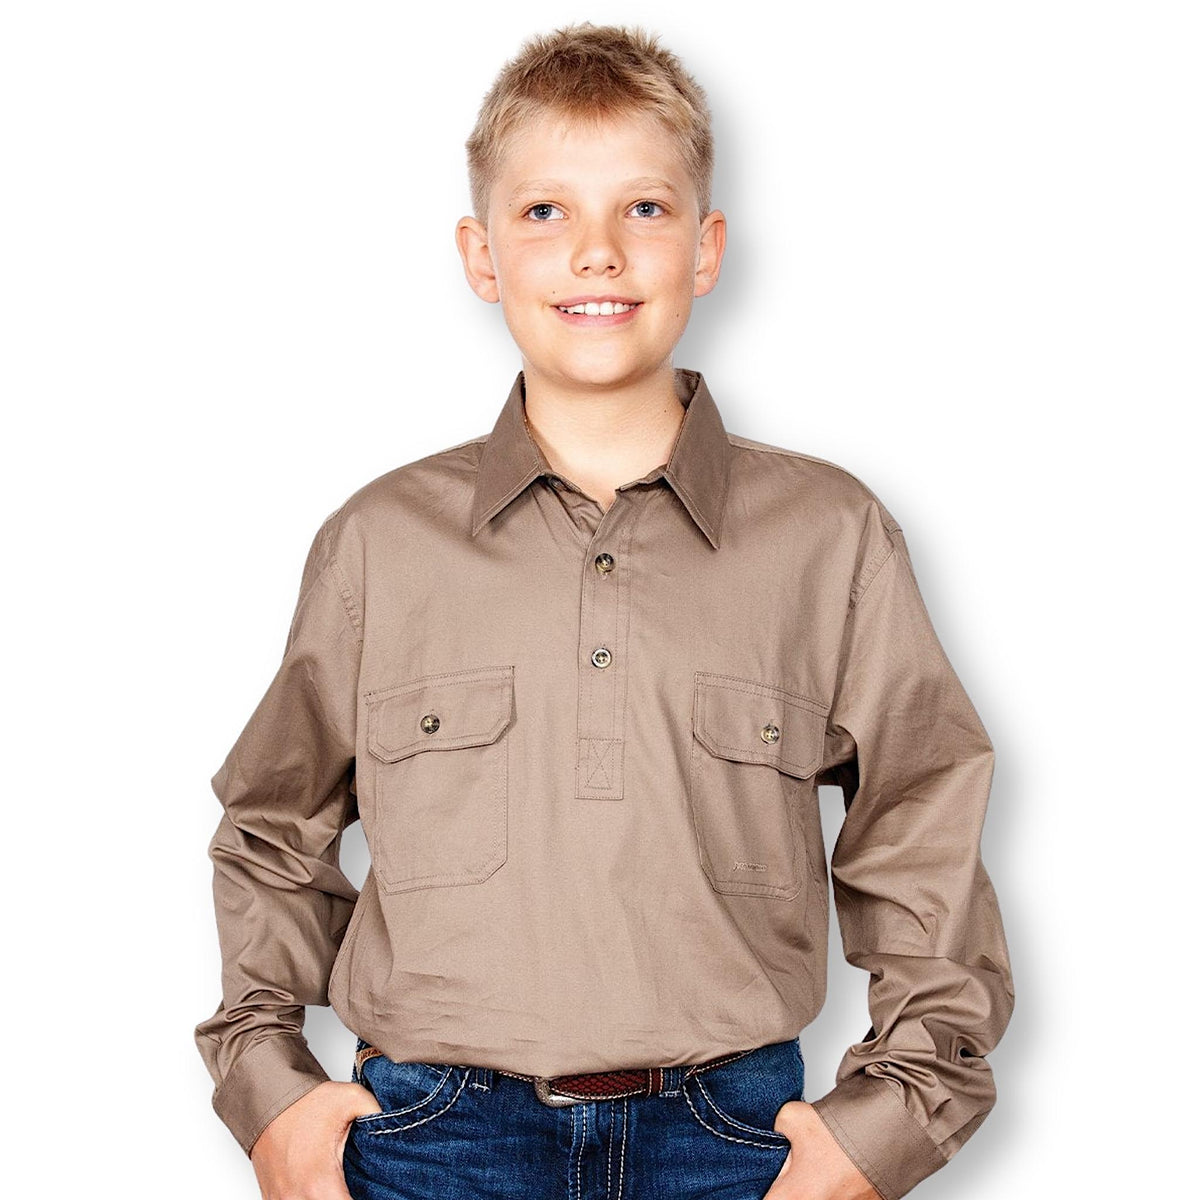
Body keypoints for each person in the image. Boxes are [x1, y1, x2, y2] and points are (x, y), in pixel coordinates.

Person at [194, 22, 1014, 1200]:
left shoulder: (830, 538)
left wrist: (890, 1123)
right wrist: (270, 1094)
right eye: (543, 214)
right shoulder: (380, 544)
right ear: (480, 256)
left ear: (707, 246)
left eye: (643, 209)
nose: (596, 254)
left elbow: (921, 822)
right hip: (434, 1140)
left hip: (736, 1144)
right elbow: (272, 827)